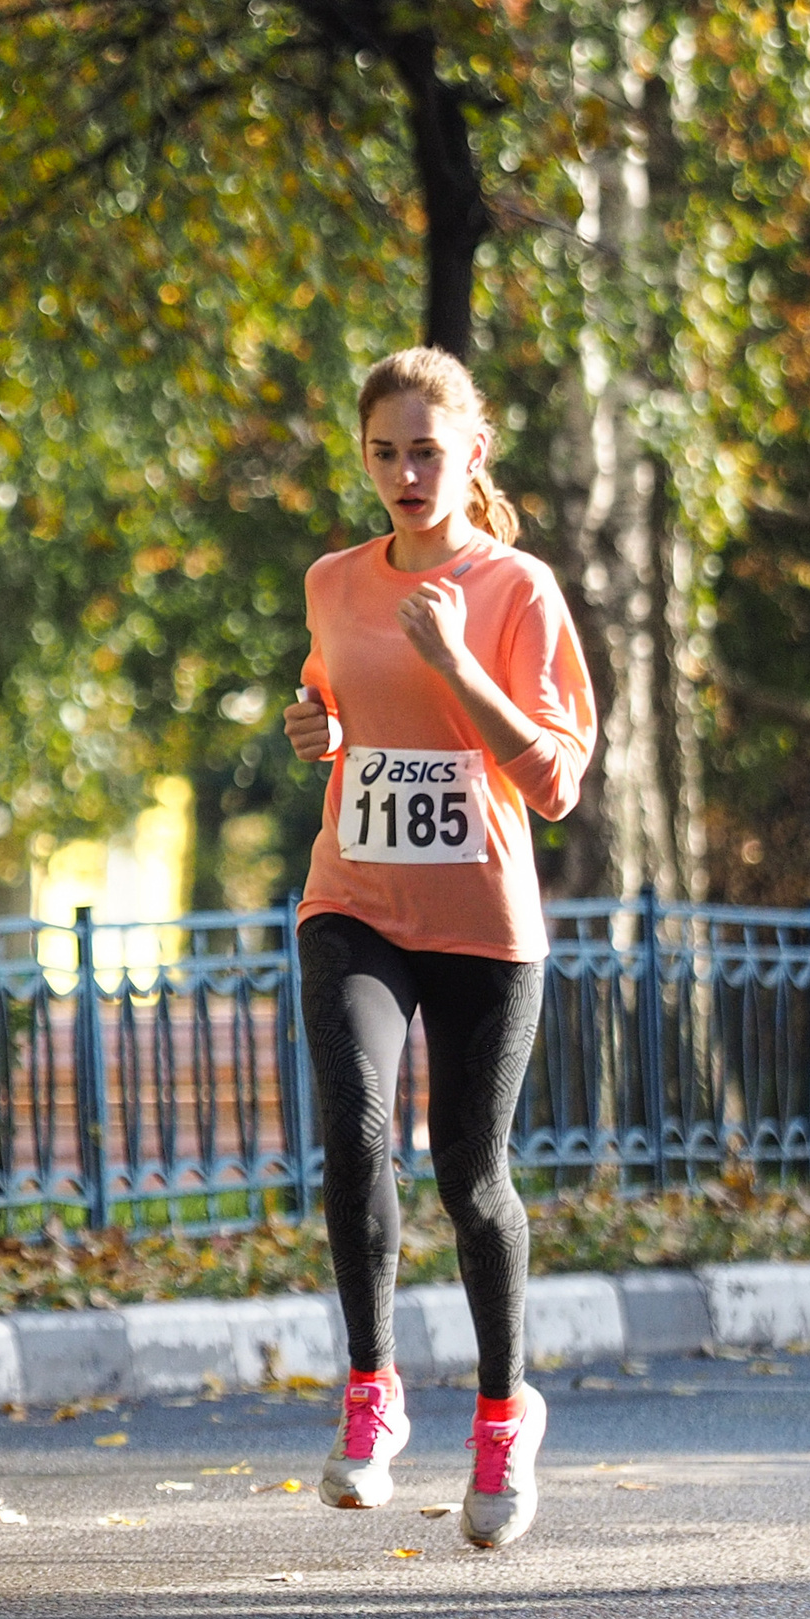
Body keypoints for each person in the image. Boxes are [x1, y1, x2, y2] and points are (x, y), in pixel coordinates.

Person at [278, 346, 598, 1550]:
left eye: (426, 451)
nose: (405, 474)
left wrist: (457, 661)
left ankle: (505, 1414)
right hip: (352, 901)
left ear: (471, 453)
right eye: (384, 453)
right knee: (358, 1128)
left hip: (482, 926)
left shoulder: (517, 589)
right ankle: (372, 1391)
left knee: (470, 1179)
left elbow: (555, 784)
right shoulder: (332, 581)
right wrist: (316, 727)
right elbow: (332, 703)